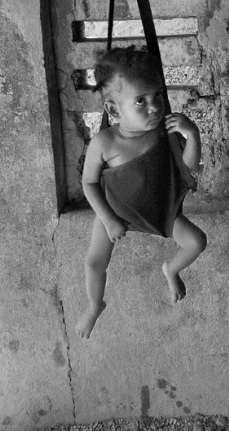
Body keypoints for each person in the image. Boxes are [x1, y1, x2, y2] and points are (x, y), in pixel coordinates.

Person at [76, 47, 207, 339]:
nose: (155, 107)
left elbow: (188, 167)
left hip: (161, 208)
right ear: (113, 110)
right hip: (115, 211)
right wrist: (108, 219)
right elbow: (89, 184)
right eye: (140, 101)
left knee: (197, 241)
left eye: (158, 96)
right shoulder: (105, 142)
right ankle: (95, 305)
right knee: (94, 263)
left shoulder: (164, 131)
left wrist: (192, 134)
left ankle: (171, 270)